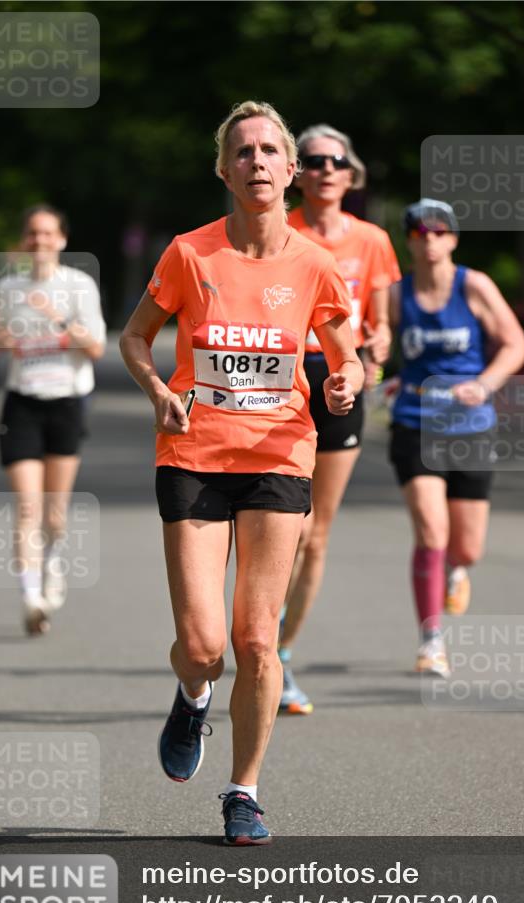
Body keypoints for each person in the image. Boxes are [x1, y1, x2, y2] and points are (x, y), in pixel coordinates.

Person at [119, 101, 362, 845]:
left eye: (269, 151)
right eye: (243, 151)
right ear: (224, 170)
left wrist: (345, 381)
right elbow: (135, 337)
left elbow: (347, 352)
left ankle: (243, 792)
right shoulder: (189, 255)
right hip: (193, 453)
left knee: (256, 639)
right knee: (204, 646)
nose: (257, 160)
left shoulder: (314, 264)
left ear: (290, 172)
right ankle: (193, 693)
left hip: (280, 455)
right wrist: (157, 391)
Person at [278, 124, 401, 713]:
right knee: (282, 525)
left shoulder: (373, 240)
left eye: (336, 161)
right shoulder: (280, 231)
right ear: (297, 173)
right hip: (283, 378)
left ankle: (280, 655)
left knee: (315, 533)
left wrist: (377, 348)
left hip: (340, 379)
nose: (326, 169)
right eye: (314, 160)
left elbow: (380, 323)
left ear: (352, 175)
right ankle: (257, 636)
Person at [389, 199, 524, 676]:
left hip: (470, 426)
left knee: (466, 547)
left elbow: (515, 343)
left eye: (439, 232)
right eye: (419, 233)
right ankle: (431, 642)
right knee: (431, 531)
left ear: (453, 238)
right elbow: (375, 346)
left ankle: (458, 568)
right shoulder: (395, 294)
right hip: (414, 422)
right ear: (409, 241)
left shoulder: (475, 286)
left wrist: (485, 385)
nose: (429, 240)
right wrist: (378, 373)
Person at [0, 205, 106, 635]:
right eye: (32, 233)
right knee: (27, 506)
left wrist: (54, 318)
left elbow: (95, 349)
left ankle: (52, 564)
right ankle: (31, 597)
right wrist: (6, 338)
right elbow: (0, 337)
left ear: (61, 239)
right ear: (25, 240)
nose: (39, 240)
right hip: (22, 402)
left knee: (54, 513)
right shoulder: (9, 288)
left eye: (47, 233)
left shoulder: (78, 286)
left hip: (66, 402)